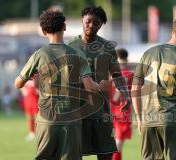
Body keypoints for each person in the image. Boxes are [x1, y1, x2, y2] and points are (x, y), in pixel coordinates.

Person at [14, 9, 103, 160]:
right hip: (71, 120)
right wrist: (100, 86)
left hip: (46, 120)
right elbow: (89, 88)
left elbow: (18, 83)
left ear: (43, 31)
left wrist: (31, 77)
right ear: (64, 27)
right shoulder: (77, 54)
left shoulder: (39, 54)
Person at [131, 17, 176, 160]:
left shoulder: (148, 54)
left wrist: (139, 118)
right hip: (173, 121)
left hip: (148, 121)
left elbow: (135, 88)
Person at [67, 5, 130, 160]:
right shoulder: (71, 46)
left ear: (101, 25)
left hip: (101, 110)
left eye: (96, 23)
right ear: (82, 20)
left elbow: (117, 74)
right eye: (88, 21)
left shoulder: (107, 48)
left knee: (106, 153)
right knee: (74, 153)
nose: (91, 25)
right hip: (77, 110)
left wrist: (126, 94)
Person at [109, 48, 133, 160]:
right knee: (118, 144)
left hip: (110, 112)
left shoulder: (111, 74)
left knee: (114, 143)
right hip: (123, 112)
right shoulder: (129, 74)